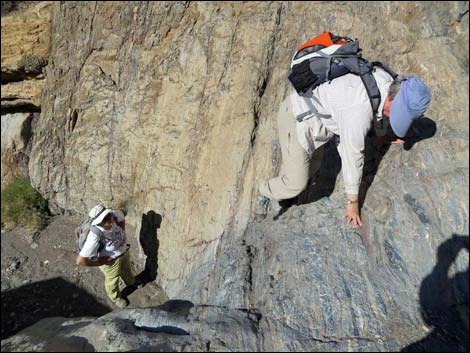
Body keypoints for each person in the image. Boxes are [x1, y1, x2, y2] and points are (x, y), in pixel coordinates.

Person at [255, 68, 431, 227]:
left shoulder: (386, 80)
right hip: (296, 119)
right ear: (393, 99)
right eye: (397, 113)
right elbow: (352, 157)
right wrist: (352, 204)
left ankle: (286, 188)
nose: (393, 117)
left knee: (312, 168)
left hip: (317, 121)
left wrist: (383, 135)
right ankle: (265, 191)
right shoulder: (358, 111)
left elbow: (378, 111)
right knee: (297, 182)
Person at [76, 205, 137, 308]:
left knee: (126, 269)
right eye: (104, 219)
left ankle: (130, 282)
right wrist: (100, 262)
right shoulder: (94, 235)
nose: (110, 219)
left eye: (109, 215)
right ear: (97, 222)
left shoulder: (115, 215)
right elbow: (80, 260)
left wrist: (121, 235)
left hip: (123, 252)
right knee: (112, 280)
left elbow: (121, 219)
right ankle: (115, 297)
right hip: (110, 262)